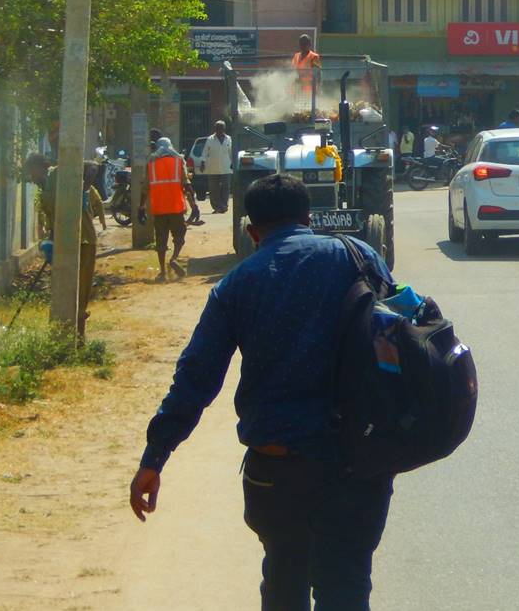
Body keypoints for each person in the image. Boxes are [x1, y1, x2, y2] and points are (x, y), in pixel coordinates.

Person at [129, 174, 397, 608]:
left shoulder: (237, 284)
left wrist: (154, 457)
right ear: (309, 218)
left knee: (284, 577)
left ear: (253, 232)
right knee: (347, 584)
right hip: (357, 462)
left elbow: (196, 378)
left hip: (277, 469)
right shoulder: (359, 256)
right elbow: (398, 338)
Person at [24, 153, 105, 340]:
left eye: (32, 173)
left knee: (82, 289)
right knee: (65, 289)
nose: (32, 179)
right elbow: (54, 219)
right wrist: (50, 243)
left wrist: (83, 189)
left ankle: (80, 336)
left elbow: (92, 167)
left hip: (84, 241)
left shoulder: (57, 173)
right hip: (64, 244)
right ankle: (65, 336)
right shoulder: (44, 189)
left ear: (40, 167)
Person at [141, 136, 193, 281]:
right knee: (179, 236)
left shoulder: (151, 164)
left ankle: (163, 272)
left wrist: (141, 207)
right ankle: (174, 258)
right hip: (176, 208)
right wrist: (194, 205)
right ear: (171, 147)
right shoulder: (178, 161)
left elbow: (145, 188)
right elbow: (187, 184)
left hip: (159, 209)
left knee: (161, 241)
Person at [207, 120, 233, 215]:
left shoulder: (229, 139)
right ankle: (216, 207)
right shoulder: (210, 139)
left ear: (224, 129)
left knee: (226, 187)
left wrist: (233, 163)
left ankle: (224, 206)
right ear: (215, 129)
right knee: (214, 188)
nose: (219, 130)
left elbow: (231, 152)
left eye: (221, 128)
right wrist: (202, 162)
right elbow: (205, 152)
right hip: (213, 167)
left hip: (226, 167)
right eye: (217, 128)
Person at [293, 34, 322, 105]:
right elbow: (293, 71)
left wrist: (318, 88)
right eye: (301, 43)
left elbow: (318, 74)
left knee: (308, 109)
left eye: (305, 43)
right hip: (298, 90)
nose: (303, 46)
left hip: (310, 91)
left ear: (309, 45)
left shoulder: (314, 57)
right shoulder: (296, 56)